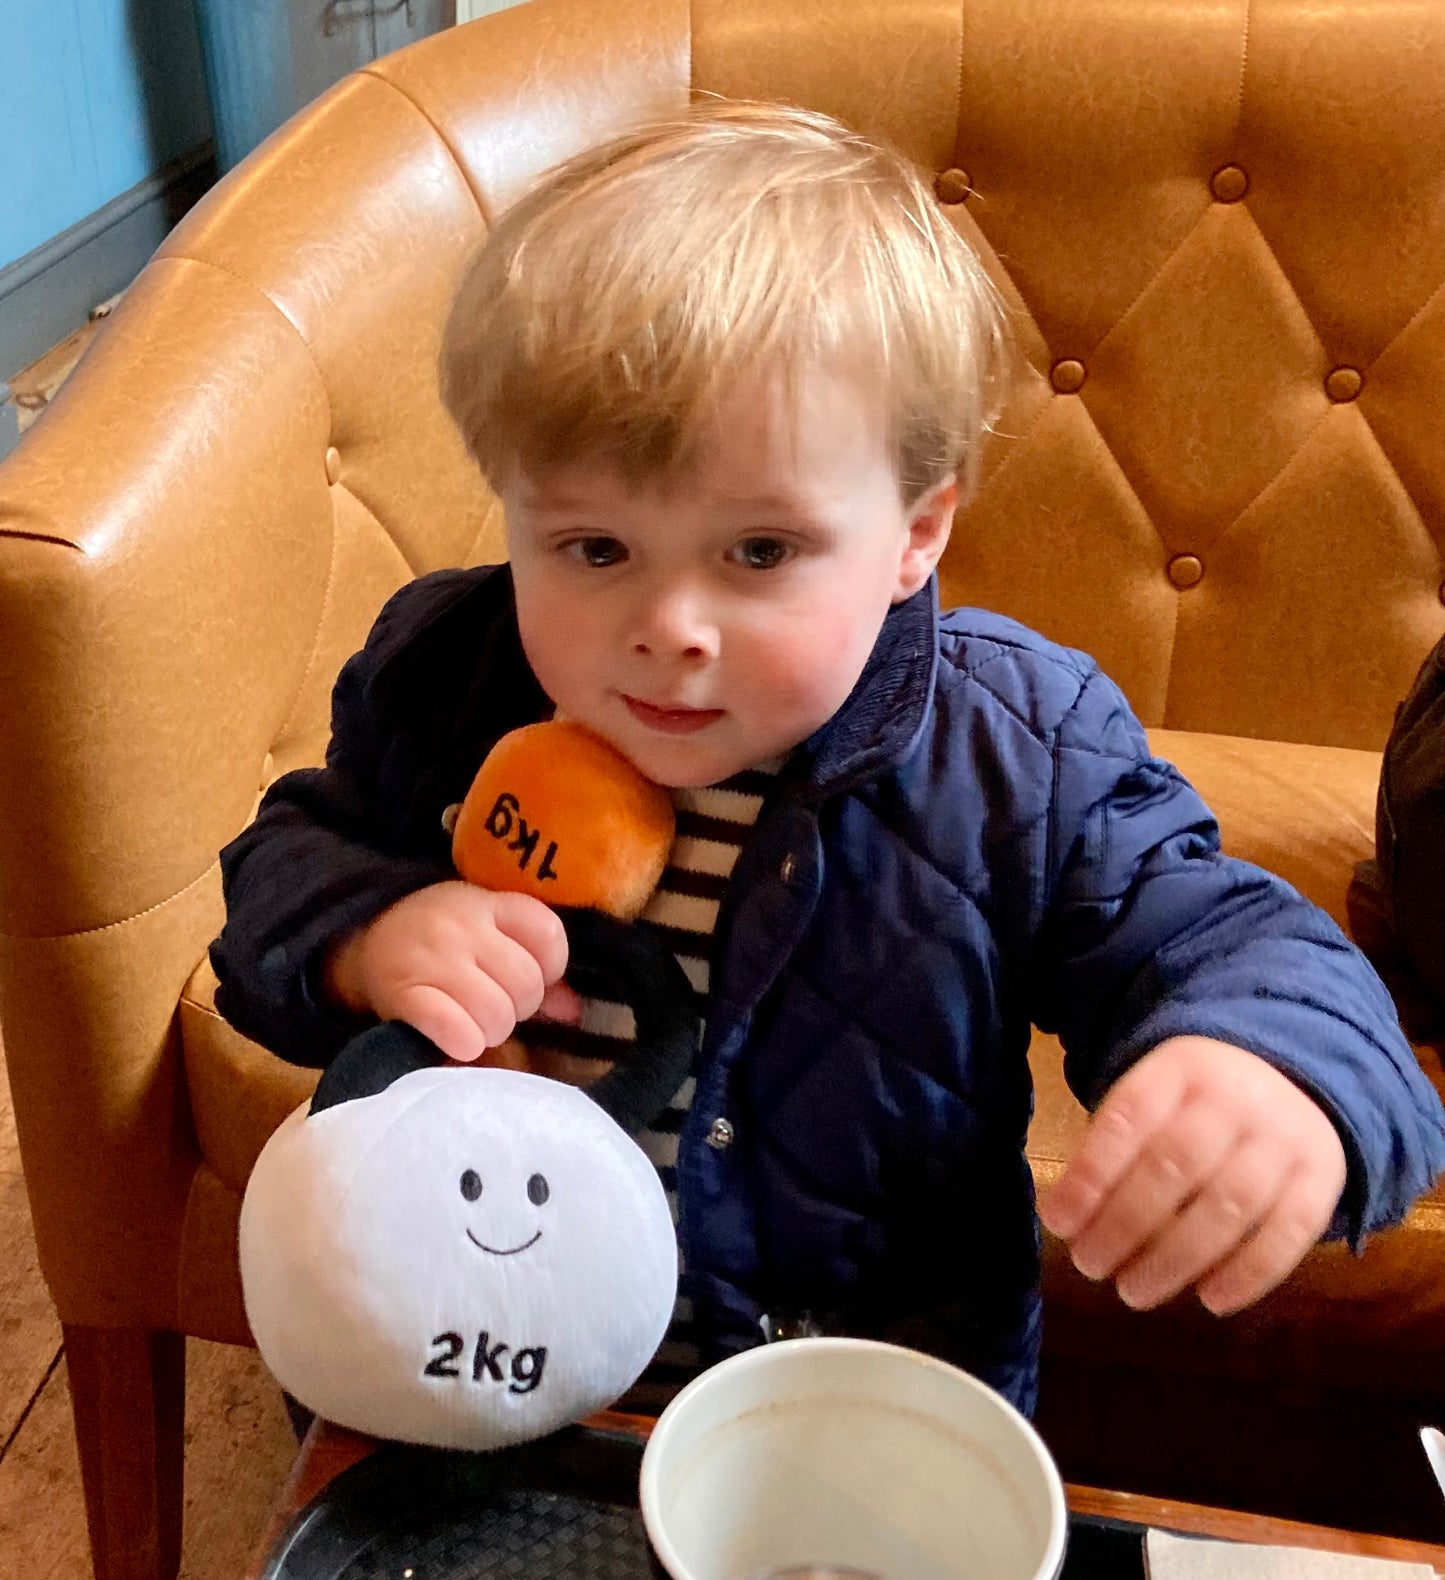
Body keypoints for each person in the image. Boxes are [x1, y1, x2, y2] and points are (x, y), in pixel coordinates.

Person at [211, 102, 1445, 1415]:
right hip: (475, 1366)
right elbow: (283, 867)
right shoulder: (444, 677)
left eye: (757, 553)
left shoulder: (1015, 752)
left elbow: (1220, 938)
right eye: (592, 549)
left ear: (914, 533)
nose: (667, 630)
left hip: (849, 1411)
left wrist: (1276, 1066)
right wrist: (367, 929)